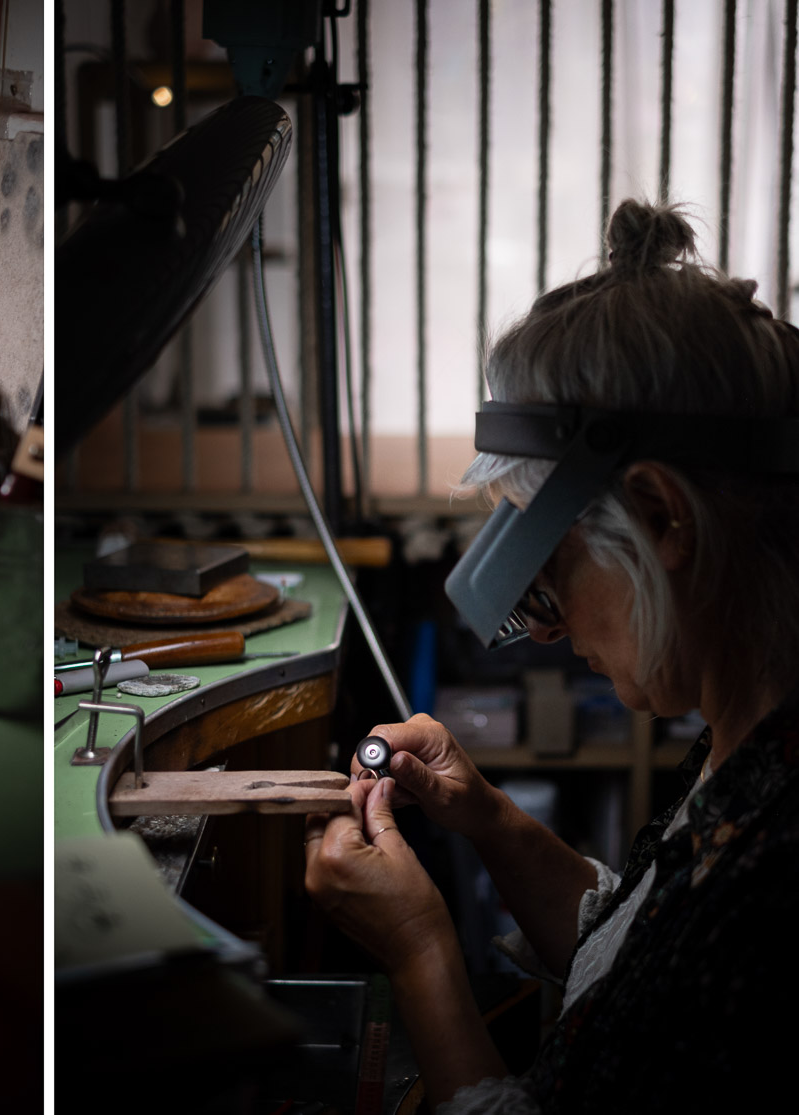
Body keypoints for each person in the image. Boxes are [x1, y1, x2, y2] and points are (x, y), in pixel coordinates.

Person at [302, 199, 799, 1113]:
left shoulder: (777, 878)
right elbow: (644, 968)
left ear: (659, 517)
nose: (543, 628)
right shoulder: (750, 737)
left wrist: (420, 950)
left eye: (549, 577)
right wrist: (489, 820)